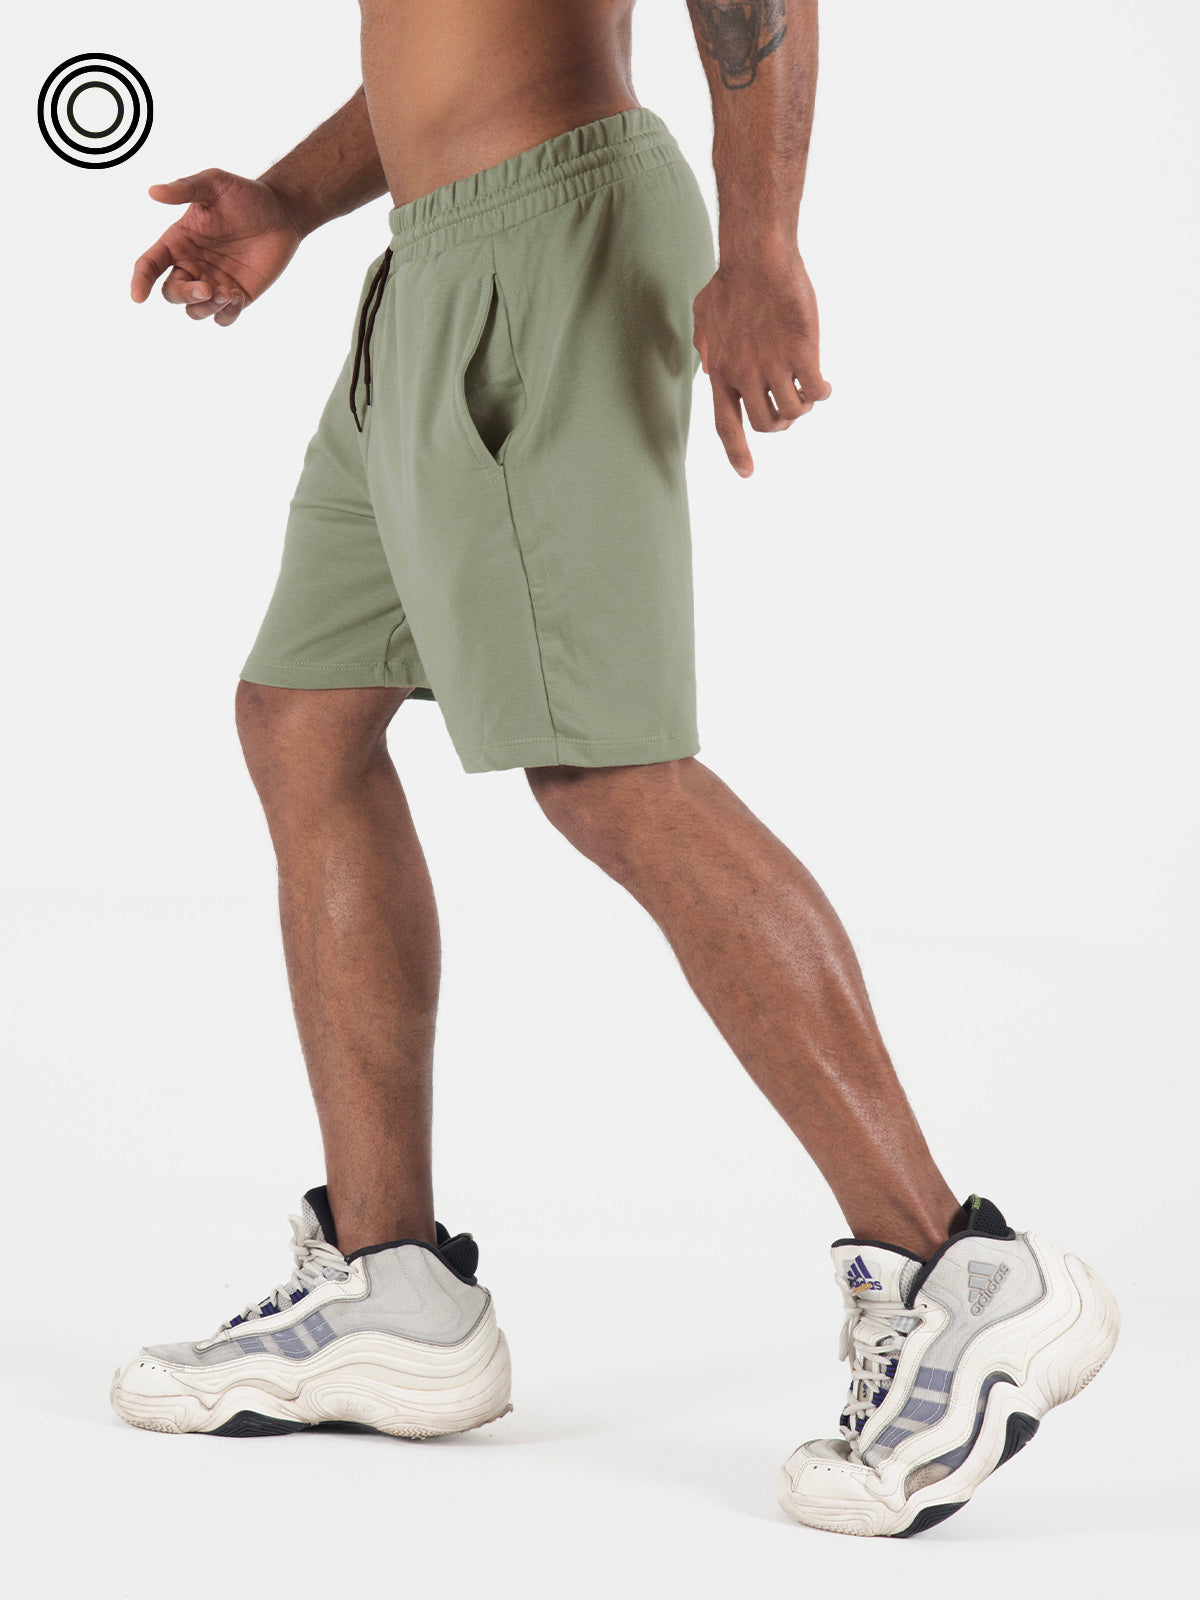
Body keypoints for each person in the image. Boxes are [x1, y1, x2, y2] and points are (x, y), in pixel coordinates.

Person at [110, 0, 1118, 1537]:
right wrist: (292, 199)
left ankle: (960, 1272)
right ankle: (393, 1290)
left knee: (604, 767)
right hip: (434, 265)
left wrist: (763, 243)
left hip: (548, 244)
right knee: (303, 713)